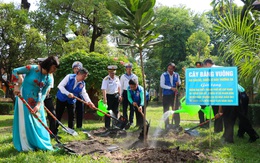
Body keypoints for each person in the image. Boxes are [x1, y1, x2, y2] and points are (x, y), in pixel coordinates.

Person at [12, 56, 59, 151]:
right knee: (26, 121)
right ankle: (27, 144)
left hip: (37, 101)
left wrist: (38, 105)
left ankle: (41, 143)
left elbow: (44, 93)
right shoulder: (31, 68)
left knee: (39, 121)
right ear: (48, 65)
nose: (54, 70)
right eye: (53, 67)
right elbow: (15, 71)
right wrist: (17, 84)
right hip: (24, 98)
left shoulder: (49, 77)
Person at [55, 68, 95, 133]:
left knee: (72, 116)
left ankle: (71, 131)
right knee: (58, 115)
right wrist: (67, 93)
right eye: (84, 76)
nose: (84, 78)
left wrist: (89, 102)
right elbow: (60, 86)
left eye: (86, 76)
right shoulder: (69, 77)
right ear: (79, 74)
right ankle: (54, 131)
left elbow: (84, 93)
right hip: (61, 98)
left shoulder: (82, 83)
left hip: (71, 100)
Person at [203, 58, 223, 133]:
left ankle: (217, 129)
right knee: (220, 111)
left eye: (205, 66)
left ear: (207, 64)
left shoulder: (212, 70)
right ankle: (219, 129)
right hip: (226, 94)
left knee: (217, 111)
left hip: (217, 94)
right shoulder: (221, 68)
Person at [160, 62, 181, 129]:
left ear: (174, 69)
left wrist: (178, 83)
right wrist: (171, 88)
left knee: (175, 109)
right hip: (166, 95)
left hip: (174, 95)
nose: (169, 70)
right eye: (168, 68)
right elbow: (162, 85)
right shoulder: (163, 75)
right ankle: (167, 125)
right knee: (166, 110)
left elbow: (179, 82)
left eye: (171, 69)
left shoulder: (177, 75)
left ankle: (177, 124)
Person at [72, 61, 85, 129]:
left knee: (80, 111)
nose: (76, 70)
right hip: (72, 96)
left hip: (79, 96)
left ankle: (79, 126)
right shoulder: (70, 77)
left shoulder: (82, 79)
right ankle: (72, 126)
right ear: (73, 69)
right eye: (75, 68)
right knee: (72, 111)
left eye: (78, 68)